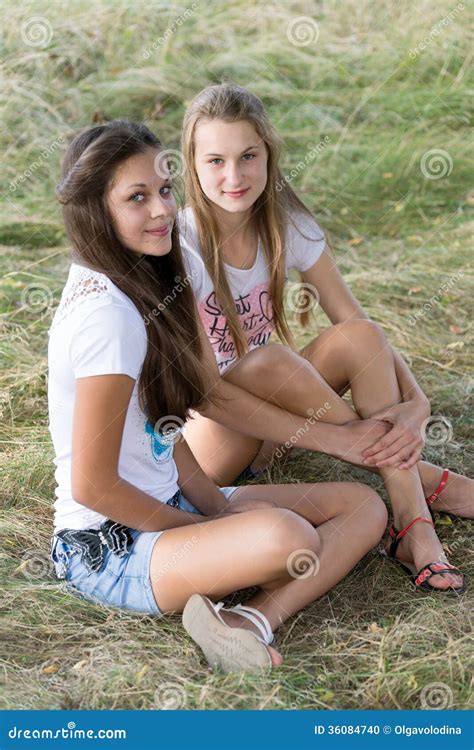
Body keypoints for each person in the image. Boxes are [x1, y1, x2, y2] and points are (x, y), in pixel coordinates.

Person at [48, 119, 388, 674]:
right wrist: (204, 530)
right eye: (136, 198)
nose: (161, 210)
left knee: (363, 506)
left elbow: (162, 427)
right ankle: (236, 577)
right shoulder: (107, 319)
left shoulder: (143, 277)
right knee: (288, 537)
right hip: (111, 547)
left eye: (163, 189)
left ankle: (248, 621)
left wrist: (213, 502)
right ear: (93, 210)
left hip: (169, 505)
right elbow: (93, 484)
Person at [178, 83, 471, 594]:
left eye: (248, 156)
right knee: (269, 361)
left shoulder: (285, 223)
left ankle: (411, 517)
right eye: (215, 160)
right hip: (204, 440)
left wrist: (418, 405)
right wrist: (342, 438)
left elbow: (362, 329)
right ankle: (425, 495)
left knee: (356, 338)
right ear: (192, 165)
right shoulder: (181, 245)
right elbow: (206, 392)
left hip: (274, 427)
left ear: (268, 153)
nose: (233, 176)